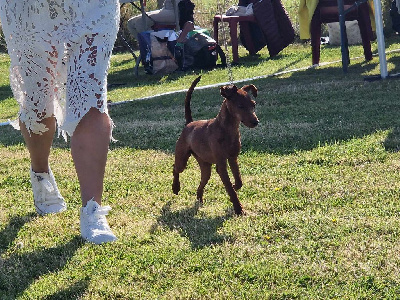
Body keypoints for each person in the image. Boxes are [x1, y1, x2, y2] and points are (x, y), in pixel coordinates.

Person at [0, 0, 120, 244]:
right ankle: (40, 172)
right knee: (38, 107)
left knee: (91, 97)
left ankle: (92, 210)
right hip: (30, 9)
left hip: (91, 6)